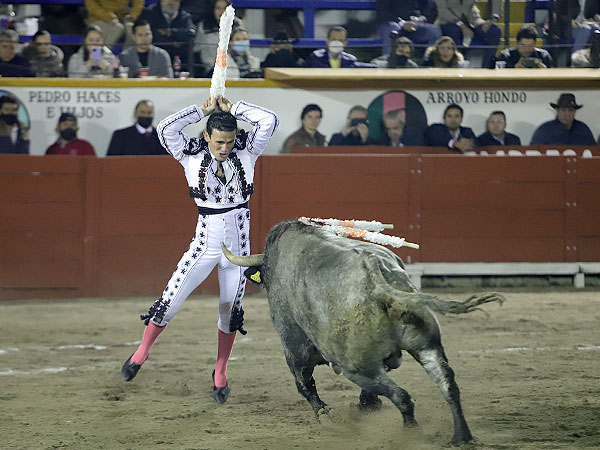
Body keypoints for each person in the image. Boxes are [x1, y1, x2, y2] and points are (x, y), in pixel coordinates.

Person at [120, 95, 279, 406]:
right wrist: (202, 110)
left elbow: (269, 120)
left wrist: (234, 108)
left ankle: (220, 372)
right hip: (203, 246)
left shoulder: (247, 151)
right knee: (169, 301)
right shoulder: (189, 155)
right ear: (207, 136)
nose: (225, 148)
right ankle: (141, 352)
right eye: (219, 142)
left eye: (230, 142)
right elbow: (165, 128)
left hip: (239, 252)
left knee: (229, 313)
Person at [434, 0, 502, 68]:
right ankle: (455, 66)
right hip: (450, 21)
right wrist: (463, 26)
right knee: (454, 31)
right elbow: (443, 11)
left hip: (473, 19)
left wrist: (493, 19)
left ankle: (486, 67)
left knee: (495, 30)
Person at [140, 0, 196, 71]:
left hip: (179, 62)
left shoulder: (184, 16)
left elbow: (191, 33)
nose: (171, 2)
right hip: (153, 60)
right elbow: (152, 36)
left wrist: (169, 32)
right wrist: (173, 42)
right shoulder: (148, 13)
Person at [193, 0, 243, 78]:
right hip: (210, 69)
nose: (221, 11)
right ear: (213, 10)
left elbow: (243, 47)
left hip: (234, 67)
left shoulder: (237, 24)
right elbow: (196, 49)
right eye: (218, 8)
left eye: (224, 8)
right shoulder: (204, 26)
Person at [376, 0, 441, 55]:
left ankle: (429, 62)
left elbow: (429, 5)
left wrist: (422, 18)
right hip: (388, 24)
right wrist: (402, 23)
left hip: (410, 24)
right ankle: (389, 63)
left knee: (434, 30)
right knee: (393, 29)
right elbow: (383, 12)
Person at [530, 93, 596, 145]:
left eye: (570, 110)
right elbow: (533, 155)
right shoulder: (544, 131)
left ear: (575, 112)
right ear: (557, 111)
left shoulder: (583, 130)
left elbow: (594, 154)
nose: (567, 114)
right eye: (563, 110)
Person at [305, 25, 376, 68]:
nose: (336, 43)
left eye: (340, 40)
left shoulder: (350, 60)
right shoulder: (315, 57)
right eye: (334, 40)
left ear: (345, 43)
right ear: (327, 40)